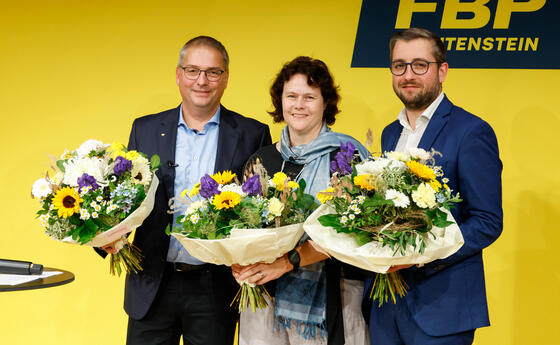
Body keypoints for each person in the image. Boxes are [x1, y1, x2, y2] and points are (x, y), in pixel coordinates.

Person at [101, 36, 271, 345]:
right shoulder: (145, 128)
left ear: (226, 78)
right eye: (192, 70)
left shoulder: (252, 133)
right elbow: (124, 196)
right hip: (152, 282)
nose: (202, 81)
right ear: (178, 75)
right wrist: (106, 236)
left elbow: (259, 212)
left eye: (213, 72)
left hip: (215, 287)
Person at [363, 28, 503, 345]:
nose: (408, 75)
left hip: (443, 308)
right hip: (385, 306)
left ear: (442, 70)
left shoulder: (471, 131)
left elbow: (487, 222)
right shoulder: (387, 134)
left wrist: (420, 255)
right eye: (399, 65)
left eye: (419, 65)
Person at [233, 56, 370, 345]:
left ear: (325, 103)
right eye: (291, 96)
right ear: (280, 100)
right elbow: (239, 224)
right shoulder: (261, 160)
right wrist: (237, 262)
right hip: (264, 292)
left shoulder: (346, 157)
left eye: (310, 97)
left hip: (332, 294)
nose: (299, 105)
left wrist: (288, 261)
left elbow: (351, 232)